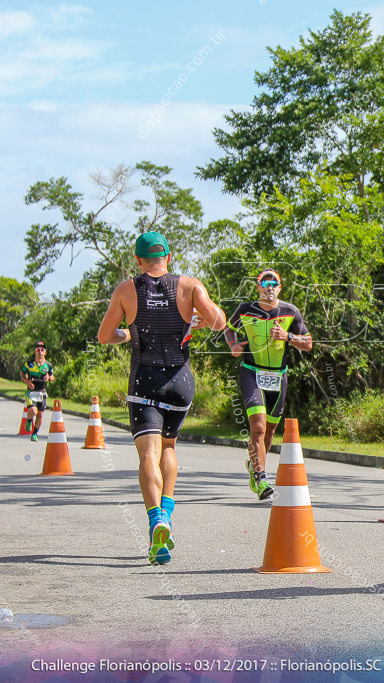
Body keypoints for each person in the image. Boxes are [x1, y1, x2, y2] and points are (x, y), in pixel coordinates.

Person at [97, 232, 226, 565]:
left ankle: (156, 521)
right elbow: (219, 322)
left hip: (144, 380)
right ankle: (167, 515)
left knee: (148, 454)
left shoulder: (127, 290)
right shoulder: (190, 286)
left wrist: (128, 332)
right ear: (169, 256)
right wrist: (196, 318)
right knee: (169, 448)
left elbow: (104, 336)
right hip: (180, 381)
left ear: (137, 259)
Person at [224, 269, 312, 500]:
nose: (269, 287)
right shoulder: (245, 309)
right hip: (251, 372)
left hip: (278, 377)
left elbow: (308, 343)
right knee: (259, 427)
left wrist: (288, 337)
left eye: (274, 283)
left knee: (270, 431)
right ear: (258, 287)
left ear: (280, 288)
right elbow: (228, 329)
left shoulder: (290, 311)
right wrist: (233, 345)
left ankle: (255, 465)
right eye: (265, 283)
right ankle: (261, 478)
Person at [20, 341, 55, 442]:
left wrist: (49, 377)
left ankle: (34, 434)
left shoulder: (48, 365)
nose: (40, 352)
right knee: (33, 411)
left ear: (45, 352)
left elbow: (52, 377)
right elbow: (22, 373)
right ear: (35, 352)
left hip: (42, 392)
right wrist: (27, 382)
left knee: (40, 415)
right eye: (38, 349)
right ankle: (29, 420)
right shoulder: (29, 364)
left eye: (42, 350)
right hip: (31, 392)